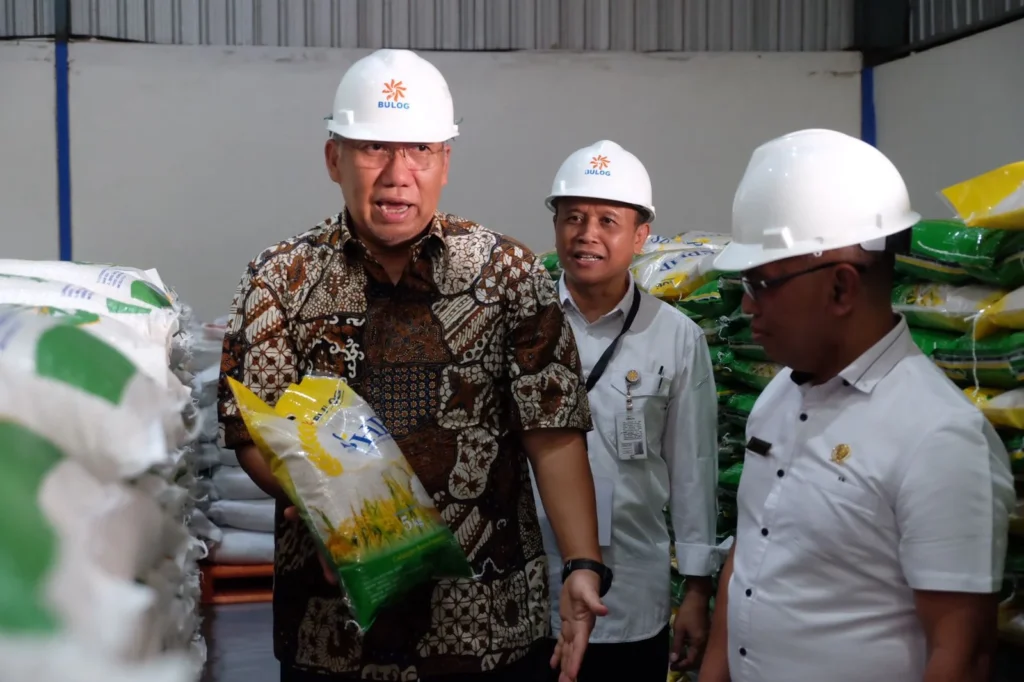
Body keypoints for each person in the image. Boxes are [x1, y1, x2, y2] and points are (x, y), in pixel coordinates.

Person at [217, 48, 613, 682]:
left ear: (445, 162)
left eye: (420, 151)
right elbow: (252, 431)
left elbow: (554, 432)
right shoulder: (280, 279)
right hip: (333, 631)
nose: (397, 175)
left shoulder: (508, 276)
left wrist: (583, 564)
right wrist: (332, 514)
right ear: (333, 159)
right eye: (374, 148)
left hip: (487, 627)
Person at [698, 128, 1017, 682]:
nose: (747, 306)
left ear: (841, 287)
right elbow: (749, 560)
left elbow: (961, 656)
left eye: (761, 283)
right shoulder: (777, 396)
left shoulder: (940, 440)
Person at [535, 140, 722, 682]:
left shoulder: (675, 336)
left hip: (633, 594)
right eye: (573, 217)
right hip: (529, 596)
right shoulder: (523, 323)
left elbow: (693, 469)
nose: (586, 234)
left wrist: (696, 590)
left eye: (607, 221)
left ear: (640, 236)